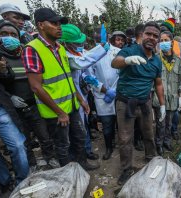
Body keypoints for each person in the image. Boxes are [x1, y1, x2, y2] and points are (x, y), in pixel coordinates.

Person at [22, 8, 99, 170]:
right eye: (54, 23)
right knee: (63, 145)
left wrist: (80, 99)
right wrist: (59, 112)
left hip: (71, 106)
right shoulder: (32, 49)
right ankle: (68, 174)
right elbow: (36, 87)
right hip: (55, 112)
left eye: (60, 24)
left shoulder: (60, 48)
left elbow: (67, 79)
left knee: (79, 138)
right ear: (41, 25)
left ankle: (82, 165)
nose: (59, 27)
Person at [0, 19, 57, 169]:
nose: (10, 37)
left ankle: (50, 158)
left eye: (13, 34)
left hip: (34, 103)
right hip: (15, 108)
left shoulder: (27, 53)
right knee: (24, 140)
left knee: (44, 135)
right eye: (4, 34)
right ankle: (32, 164)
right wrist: (10, 97)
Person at [111, 21, 165, 185]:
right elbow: (115, 62)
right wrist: (127, 61)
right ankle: (127, 169)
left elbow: (158, 84)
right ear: (142, 35)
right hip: (125, 102)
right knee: (125, 138)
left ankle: (151, 159)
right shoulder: (129, 50)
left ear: (158, 40)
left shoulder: (156, 61)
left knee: (149, 133)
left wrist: (162, 105)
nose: (152, 38)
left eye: (155, 36)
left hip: (145, 102)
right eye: (149, 34)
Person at [59, 23, 109, 161]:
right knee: (77, 129)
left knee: (84, 125)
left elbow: (87, 71)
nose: (82, 44)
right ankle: (79, 157)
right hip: (73, 97)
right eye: (77, 42)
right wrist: (101, 48)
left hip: (84, 94)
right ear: (66, 43)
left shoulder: (79, 52)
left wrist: (96, 84)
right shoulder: (65, 55)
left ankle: (87, 150)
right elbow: (80, 63)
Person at [0, 44, 29, 186]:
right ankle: (6, 183)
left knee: (17, 145)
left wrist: (3, 69)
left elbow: (9, 78)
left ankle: (23, 181)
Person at [87, 31, 124, 160]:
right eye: (97, 39)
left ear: (108, 38)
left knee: (121, 122)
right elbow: (88, 76)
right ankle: (109, 147)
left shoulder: (117, 51)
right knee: (107, 125)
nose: (100, 42)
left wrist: (117, 89)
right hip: (102, 96)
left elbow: (123, 72)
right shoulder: (91, 54)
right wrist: (104, 90)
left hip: (119, 93)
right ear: (94, 39)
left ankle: (122, 146)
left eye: (102, 38)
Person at [153, 31, 181, 155]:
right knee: (160, 123)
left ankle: (167, 141)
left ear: (171, 42)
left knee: (169, 122)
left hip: (173, 97)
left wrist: (180, 97)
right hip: (159, 97)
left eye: (166, 40)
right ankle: (159, 144)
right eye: (161, 40)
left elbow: (180, 80)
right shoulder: (155, 59)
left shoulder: (178, 60)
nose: (163, 43)